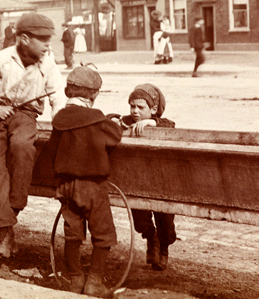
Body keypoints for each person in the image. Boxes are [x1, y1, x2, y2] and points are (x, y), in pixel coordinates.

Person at [0, 12, 65, 259]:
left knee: (22, 147)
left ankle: (10, 215)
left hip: (25, 116)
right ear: (23, 39)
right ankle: (5, 233)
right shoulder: (1, 59)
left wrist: (62, 124)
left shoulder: (47, 62)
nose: (47, 45)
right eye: (42, 39)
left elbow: (58, 95)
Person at [43, 65, 123, 296]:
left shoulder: (59, 119)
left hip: (66, 186)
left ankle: (76, 279)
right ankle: (94, 282)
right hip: (92, 187)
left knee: (73, 234)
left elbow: (51, 150)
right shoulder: (97, 119)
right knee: (104, 233)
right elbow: (114, 136)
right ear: (93, 94)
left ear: (69, 91)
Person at [118, 83, 176, 271]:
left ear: (153, 109)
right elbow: (112, 118)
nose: (135, 111)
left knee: (165, 220)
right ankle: (151, 238)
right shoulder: (128, 120)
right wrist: (118, 121)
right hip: (139, 180)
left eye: (140, 107)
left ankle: (163, 247)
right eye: (132, 106)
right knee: (140, 218)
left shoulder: (162, 123)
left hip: (162, 181)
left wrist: (153, 122)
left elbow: (170, 125)